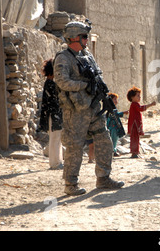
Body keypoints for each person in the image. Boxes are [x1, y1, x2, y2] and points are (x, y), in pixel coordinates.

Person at [54, 21, 124, 195]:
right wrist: (83, 85)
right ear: (74, 38)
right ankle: (70, 185)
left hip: (93, 107)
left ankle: (103, 178)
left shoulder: (87, 55)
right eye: (84, 36)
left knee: (104, 140)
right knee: (75, 146)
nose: (86, 40)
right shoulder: (63, 58)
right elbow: (62, 82)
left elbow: (98, 76)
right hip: (76, 110)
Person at [38, 58, 64, 170]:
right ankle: (55, 163)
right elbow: (54, 102)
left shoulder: (50, 83)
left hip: (54, 115)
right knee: (55, 139)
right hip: (53, 116)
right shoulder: (50, 84)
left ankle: (58, 161)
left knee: (57, 138)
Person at [127, 86, 156, 158]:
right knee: (134, 138)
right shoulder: (134, 104)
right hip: (134, 125)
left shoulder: (135, 104)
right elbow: (141, 109)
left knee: (136, 138)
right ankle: (134, 152)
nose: (139, 97)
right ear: (132, 97)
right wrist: (151, 104)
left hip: (135, 124)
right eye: (138, 96)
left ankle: (136, 152)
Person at [107, 92, 128, 157]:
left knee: (115, 139)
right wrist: (123, 113)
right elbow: (114, 115)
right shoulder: (110, 109)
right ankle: (113, 152)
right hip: (112, 127)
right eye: (115, 99)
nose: (116, 101)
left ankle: (113, 151)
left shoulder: (113, 108)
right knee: (113, 139)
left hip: (115, 127)